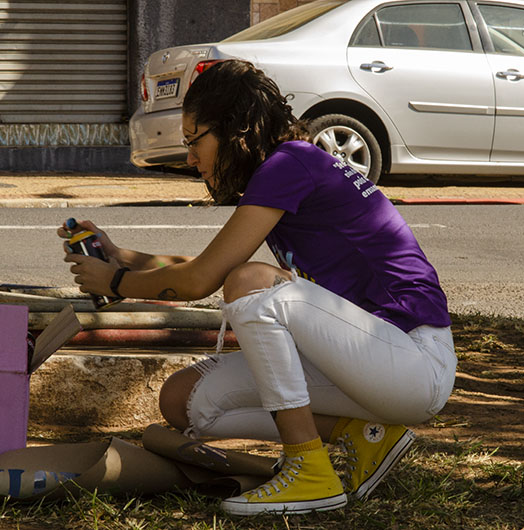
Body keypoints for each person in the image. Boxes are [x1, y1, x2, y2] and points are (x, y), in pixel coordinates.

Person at [58, 60, 456, 516]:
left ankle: (309, 470)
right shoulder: (288, 166)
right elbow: (207, 266)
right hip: (367, 359)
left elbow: (206, 280)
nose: (190, 159)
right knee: (184, 401)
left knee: (249, 283)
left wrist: (117, 282)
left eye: (194, 140)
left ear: (235, 130)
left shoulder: (290, 165)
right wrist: (121, 256)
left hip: (413, 360)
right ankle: (362, 436)